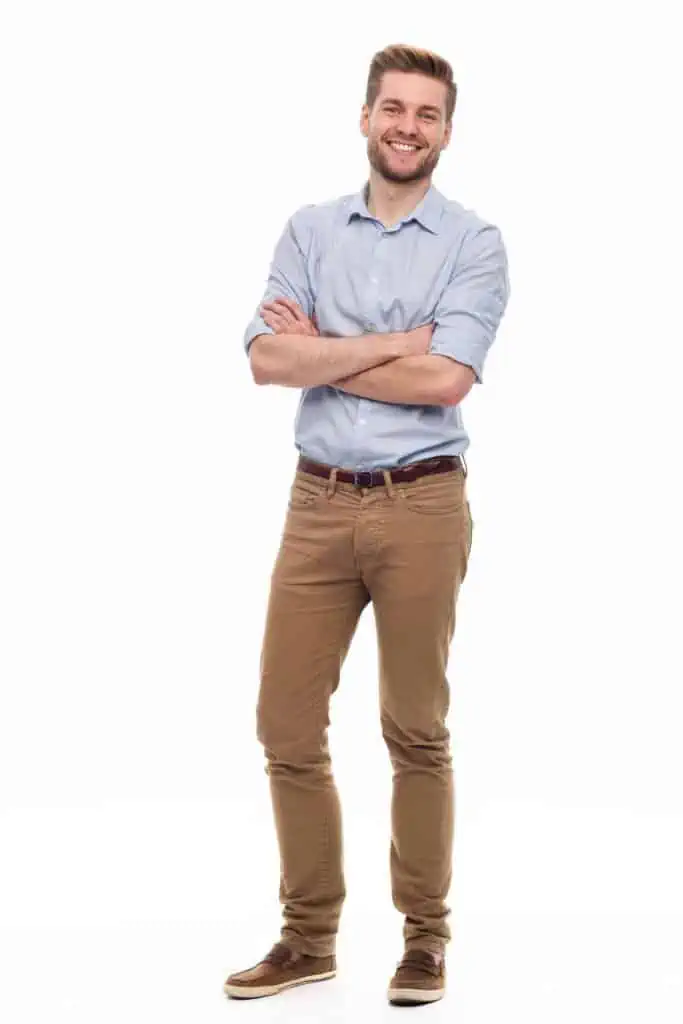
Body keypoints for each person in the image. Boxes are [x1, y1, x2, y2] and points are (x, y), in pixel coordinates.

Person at [223, 42, 510, 1007]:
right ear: (364, 116)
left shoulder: (473, 243)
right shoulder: (308, 230)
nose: (406, 127)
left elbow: (447, 380)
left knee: (414, 727)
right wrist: (391, 344)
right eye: (393, 108)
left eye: (426, 114)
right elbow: (265, 359)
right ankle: (307, 938)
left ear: (446, 132)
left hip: (422, 503)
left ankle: (424, 941)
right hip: (316, 502)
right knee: (284, 721)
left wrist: (324, 349)